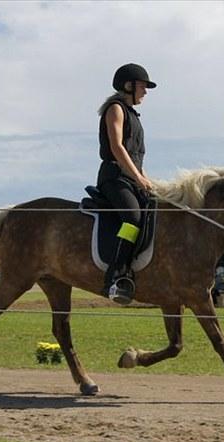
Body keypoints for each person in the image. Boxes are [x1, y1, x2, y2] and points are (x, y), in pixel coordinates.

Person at [96, 63, 157, 305]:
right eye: (143, 86)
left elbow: (135, 156)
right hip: (114, 177)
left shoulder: (134, 115)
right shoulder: (116, 109)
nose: (145, 91)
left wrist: (146, 179)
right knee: (132, 218)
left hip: (131, 177)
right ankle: (115, 274)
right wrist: (138, 177)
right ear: (129, 86)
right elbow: (117, 148)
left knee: (153, 212)